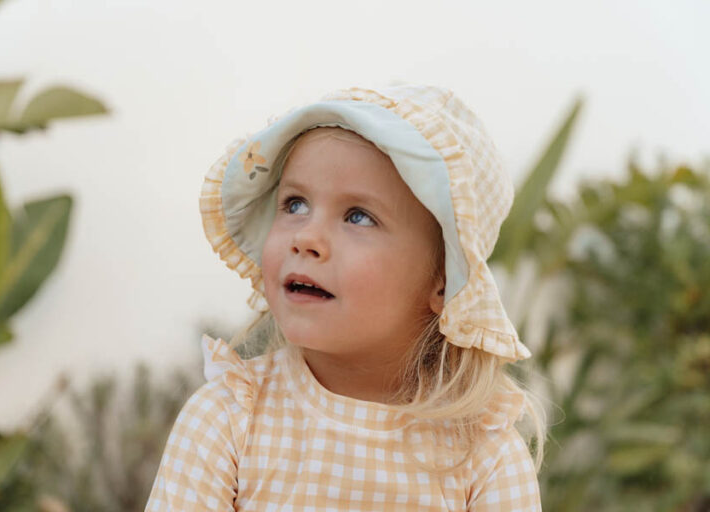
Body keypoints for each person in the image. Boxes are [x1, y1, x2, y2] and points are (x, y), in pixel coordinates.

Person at [145, 85, 546, 511]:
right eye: (295, 204)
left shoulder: (483, 456)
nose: (306, 237)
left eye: (358, 216)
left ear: (443, 281)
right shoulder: (227, 420)